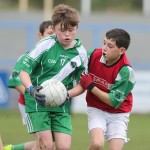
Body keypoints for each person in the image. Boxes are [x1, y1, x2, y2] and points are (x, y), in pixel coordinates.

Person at [19, 4, 88, 150]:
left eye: (71, 30)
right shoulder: (45, 44)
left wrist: (66, 94)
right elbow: (23, 71)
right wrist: (31, 89)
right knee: (46, 146)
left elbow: (82, 84)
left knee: (64, 147)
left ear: (77, 28)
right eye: (62, 31)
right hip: (37, 102)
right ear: (54, 28)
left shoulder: (81, 54)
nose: (67, 34)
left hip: (61, 105)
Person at [80, 28, 136, 150]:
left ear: (122, 50)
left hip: (119, 113)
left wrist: (91, 86)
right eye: (104, 43)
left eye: (110, 46)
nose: (104, 48)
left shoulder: (126, 71)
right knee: (97, 144)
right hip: (96, 108)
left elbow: (113, 101)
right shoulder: (93, 55)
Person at [4, 20, 54, 150]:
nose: (53, 36)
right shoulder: (28, 56)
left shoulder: (56, 58)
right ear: (40, 35)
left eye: (55, 33)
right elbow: (15, 81)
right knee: (42, 142)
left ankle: (9, 149)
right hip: (29, 105)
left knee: (45, 143)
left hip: (47, 105)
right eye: (49, 33)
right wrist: (34, 95)